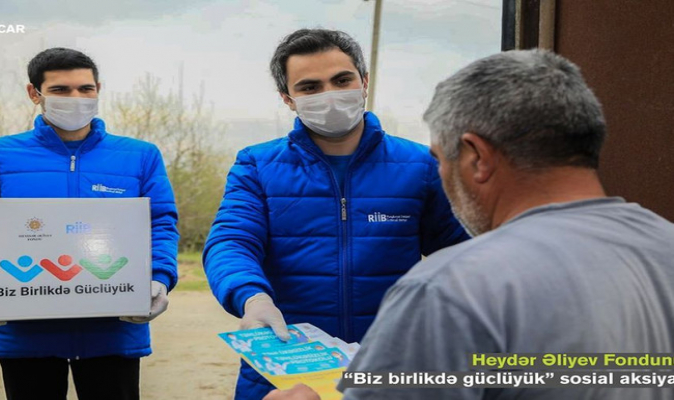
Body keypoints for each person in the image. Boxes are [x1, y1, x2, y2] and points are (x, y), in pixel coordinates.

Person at [265, 49, 674, 400]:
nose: (441, 176)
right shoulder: (664, 244)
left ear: (476, 157)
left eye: (441, 160)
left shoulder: (448, 290)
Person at [203, 28, 468, 399]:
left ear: (364, 82)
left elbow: (463, 255)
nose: (329, 95)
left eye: (342, 80)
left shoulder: (421, 166)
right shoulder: (256, 165)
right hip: (287, 372)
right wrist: (252, 298)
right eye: (310, 87)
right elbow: (231, 242)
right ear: (287, 98)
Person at [0, 47, 179, 400]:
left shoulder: (140, 156)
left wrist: (159, 278)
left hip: (112, 330)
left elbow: (160, 222)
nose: (76, 98)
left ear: (99, 90)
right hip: (23, 333)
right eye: (60, 90)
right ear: (34, 93)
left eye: (85, 89)